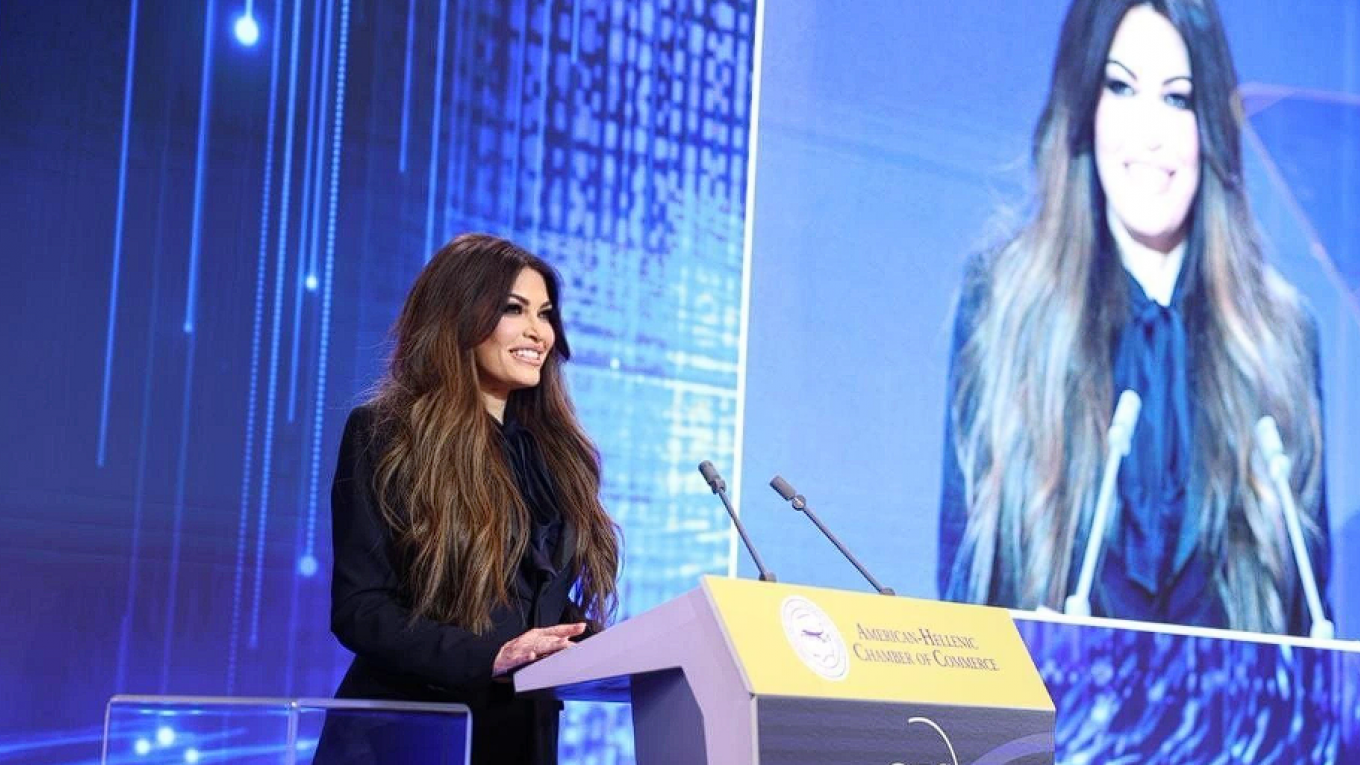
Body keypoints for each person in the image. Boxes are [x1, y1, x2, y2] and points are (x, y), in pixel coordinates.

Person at [937, 0, 1330, 635]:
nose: (1150, 133)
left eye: (1177, 98)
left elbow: (1308, 625)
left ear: (1210, 123)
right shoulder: (1003, 308)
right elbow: (962, 604)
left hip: (1228, 703)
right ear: (1084, 105)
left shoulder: (1279, 339)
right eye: (1121, 87)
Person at [324, 233, 621, 764]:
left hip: (520, 738)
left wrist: (596, 643)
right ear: (459, 316)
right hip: (412, 734)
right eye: (514, 309)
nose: (539, 332)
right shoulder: (386, 435)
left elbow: (533, 598)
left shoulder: (556, 456)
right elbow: (361, 609)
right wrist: (491, 655)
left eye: (545, 314)